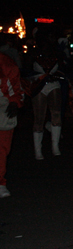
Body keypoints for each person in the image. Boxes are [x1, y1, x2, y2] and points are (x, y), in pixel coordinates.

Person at [30, 39, 65, 159]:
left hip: (53, 85)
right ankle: (37, 150)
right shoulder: (33, 54)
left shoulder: (56, 55)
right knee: (39, 118)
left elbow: (64, 68)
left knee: (56, 114)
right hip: (39, 86)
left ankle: (55, 146)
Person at [0, 49, 24, 198]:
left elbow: (17, 89)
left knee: (2, 149)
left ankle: (0, 183)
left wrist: (15, 102)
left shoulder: (7, 64)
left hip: (3, 107)